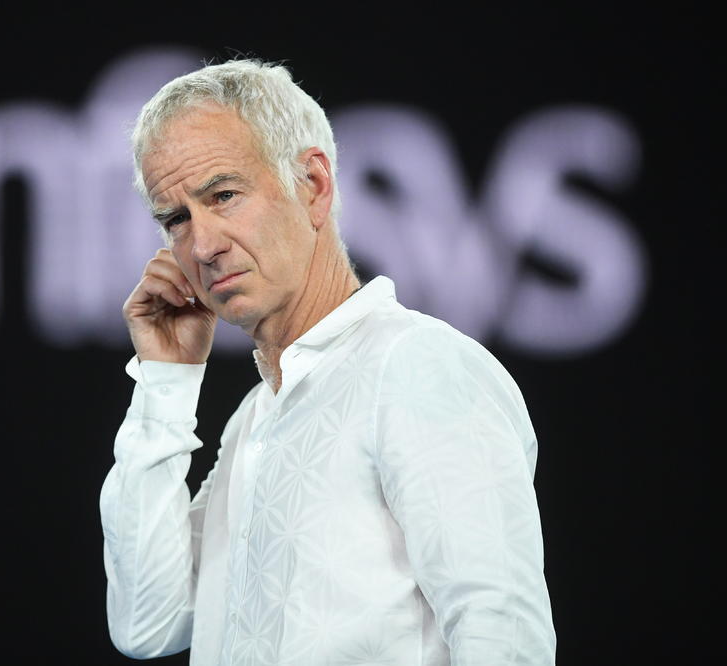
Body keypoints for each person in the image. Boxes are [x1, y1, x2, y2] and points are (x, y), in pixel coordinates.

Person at [99, 59, 556, 665]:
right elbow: (147, 622)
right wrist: (166, 384)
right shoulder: (255, 419)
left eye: (223, 196)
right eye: (176, 219)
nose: (202, 246)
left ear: (313, 184)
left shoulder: (416, 366)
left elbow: (504, 633)